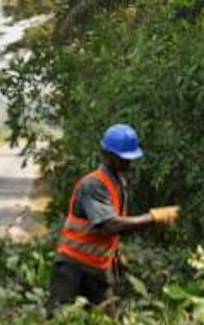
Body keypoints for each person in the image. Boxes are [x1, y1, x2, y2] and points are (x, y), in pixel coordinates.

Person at [48, 123, 180, 310]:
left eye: (130, 158)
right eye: (123, 158)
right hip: (72, 268)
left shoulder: (118, 184)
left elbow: (107, 233)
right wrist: (154, 217)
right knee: (60, 322)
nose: (128, 162)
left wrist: (116, 254)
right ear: (108, 155)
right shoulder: (93, 185)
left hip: (97, 269)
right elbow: (110, 226)